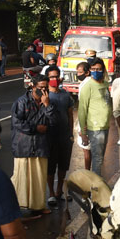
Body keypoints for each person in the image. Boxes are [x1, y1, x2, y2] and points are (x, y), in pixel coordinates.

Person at [11, 74, 56, 215]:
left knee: (39, 177)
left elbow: (53, 122)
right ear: (33, 86)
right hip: (23, 146)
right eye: (40, 87)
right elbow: (17, 123)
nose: (43, 90)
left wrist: (47, 105)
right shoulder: (21, 102)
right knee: (22, 177)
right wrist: (36, 128)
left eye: (45, 87)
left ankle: (38, 206)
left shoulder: (48, 102)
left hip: (41, 145)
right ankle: (20, 206)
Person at [44, 66, 74, 206]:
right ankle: (50, 193)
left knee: (63, 166)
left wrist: (71, 133)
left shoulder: (65, 95)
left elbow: (70, 115)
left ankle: (59, 191)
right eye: (51, 77)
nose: (54, 79)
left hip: (64, 137)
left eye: (56, 76)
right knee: (50, 167)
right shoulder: (44, 96)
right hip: (50, 137)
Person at [78, 58, 112, 177]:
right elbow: (82, 110)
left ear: (103, 70)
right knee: (97, 159)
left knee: (100, 158)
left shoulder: (105, 84)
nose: (96, 71)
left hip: (105, 126)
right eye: (93, 69)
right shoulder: (87, 87)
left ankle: (97, 184)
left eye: (99, 69)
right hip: (94, 128)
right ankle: (95, 188)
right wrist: (83, 132)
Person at [75, 61, 92, 170]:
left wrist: (83, 128)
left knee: (87, 149)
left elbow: (83, 107)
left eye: (80, 72)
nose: (78, 74)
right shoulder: (95, 82)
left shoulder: (85, 85)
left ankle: (87, 172)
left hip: (87, 121)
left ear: (87, 72)